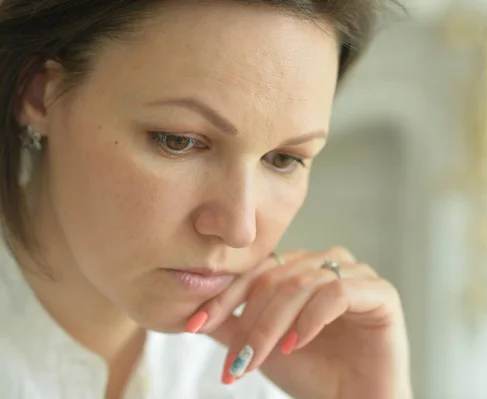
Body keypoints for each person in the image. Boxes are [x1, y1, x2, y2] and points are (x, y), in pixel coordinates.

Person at [0, 1, 413, 398]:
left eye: (284, 159)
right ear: (38, 95)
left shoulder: (273, 374)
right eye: (179, 141)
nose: (239, 228)